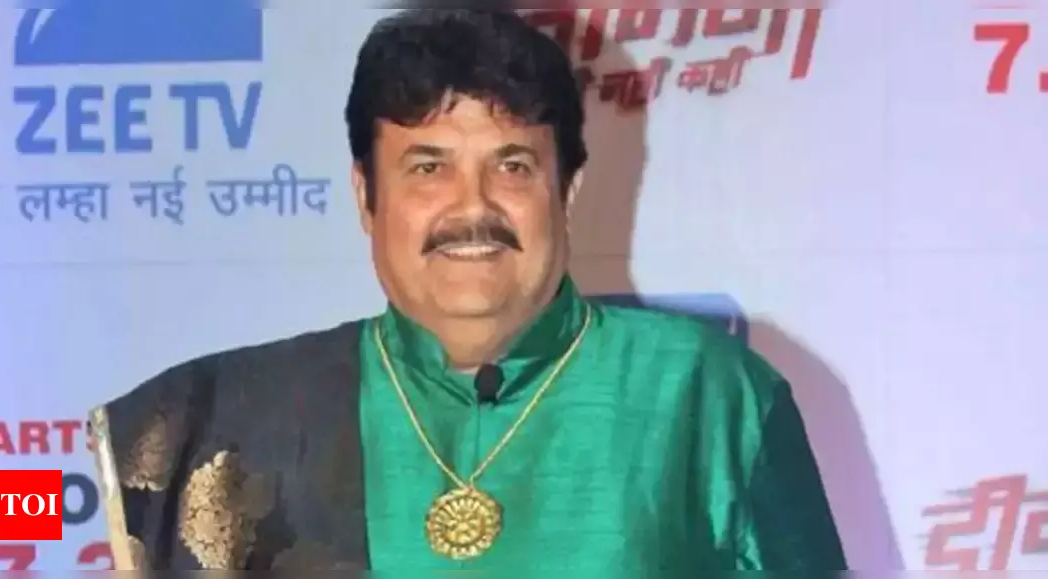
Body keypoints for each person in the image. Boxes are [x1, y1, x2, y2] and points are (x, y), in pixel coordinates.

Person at [88, 7, 848, 572]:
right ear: (365, 196)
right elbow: (37, 505)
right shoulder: (221, 417)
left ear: (566, 191)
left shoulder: (708, 392)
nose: (472, 206)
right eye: (428, 167)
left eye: (512, 165)